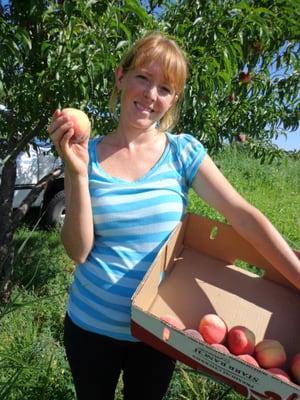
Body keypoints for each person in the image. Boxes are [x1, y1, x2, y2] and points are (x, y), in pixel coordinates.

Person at [48, 31, 300, 400]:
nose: (151, 95)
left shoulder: (182, 153)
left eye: (165, 88)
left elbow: (242, 215)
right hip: (89, 327)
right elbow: (78, 251)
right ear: (121, 77)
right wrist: (76, 171)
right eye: (143, 78)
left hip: (157, 331)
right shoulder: (88, 152)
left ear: (174, 99)